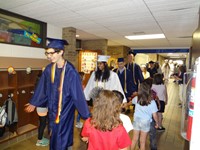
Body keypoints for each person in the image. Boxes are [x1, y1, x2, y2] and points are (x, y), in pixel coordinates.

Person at [24, 38, 90, 150]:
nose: (48, 56)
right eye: (47, 53)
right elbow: (42, 88)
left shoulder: (71, 72)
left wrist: (86, 116)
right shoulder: (49, 69)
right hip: (52, 109)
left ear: (61, 52)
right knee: (53, 134)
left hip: (65, 109)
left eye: (51, 53)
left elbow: (78, 95)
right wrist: (34, 102)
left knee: (61, 136)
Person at [131, 82, 158, 150]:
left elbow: (131, 102)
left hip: (136, 120)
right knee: (142, 141)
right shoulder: (152, 102)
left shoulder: (137, 98)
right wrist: (157, 123)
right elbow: (155, 115)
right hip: (145, 122)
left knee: (134, 139)